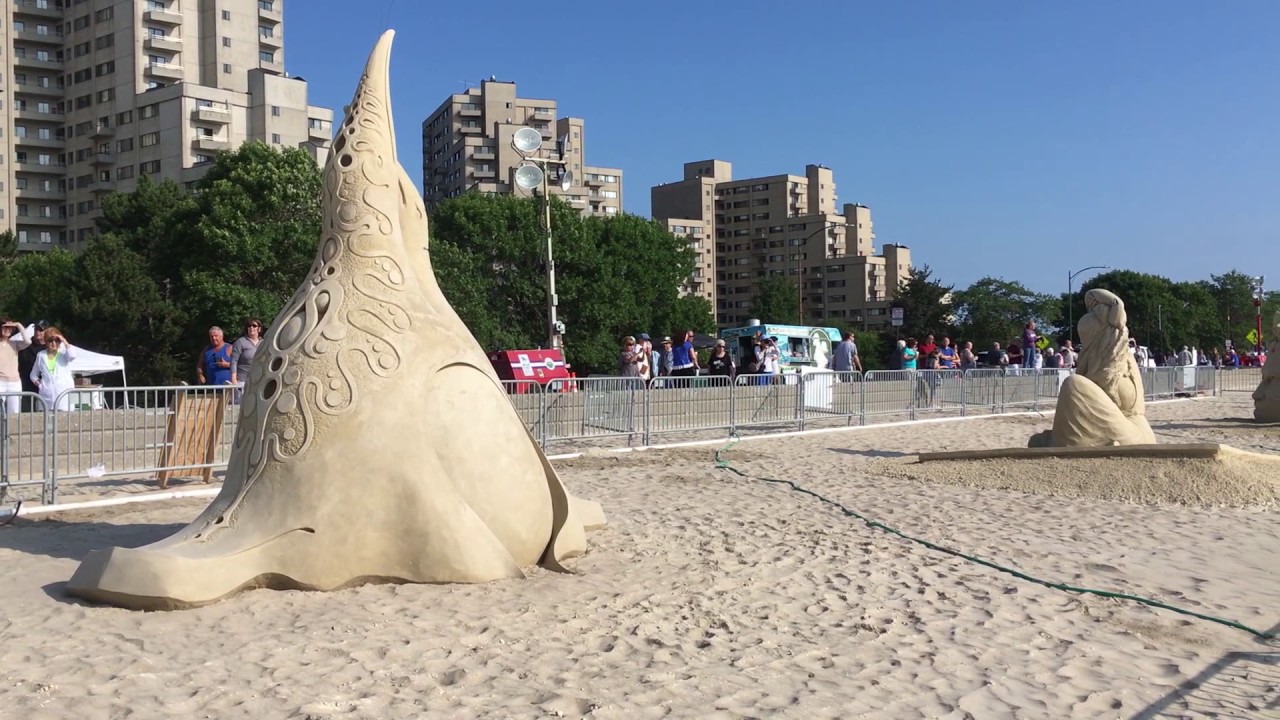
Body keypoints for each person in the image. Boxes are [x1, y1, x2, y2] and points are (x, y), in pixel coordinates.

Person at [29, 326, 77, 412]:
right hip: (46, 395)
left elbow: (72, 356)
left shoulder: (64, 352)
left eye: (57, 340)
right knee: (47, 418)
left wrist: (64, 340)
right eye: (51, 340)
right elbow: (33, 375)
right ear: (46, 342)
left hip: (64, 394)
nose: (54, 343)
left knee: (65, 418)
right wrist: (40, 385)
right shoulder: (41, 355)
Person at [0, 320, 32, 414]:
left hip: (14, 382)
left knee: (14, 412)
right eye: (5, 327)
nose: (7, 330)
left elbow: (28, 341)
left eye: (10, 328)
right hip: (0, 381)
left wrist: (18, 325)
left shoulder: (14, 343)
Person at [231, 319, 264, 395]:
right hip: (242, 380)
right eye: (249, 326)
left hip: (259, 380)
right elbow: (234, 361)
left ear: (259, 329)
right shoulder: (240, 342)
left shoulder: (263, 342)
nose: (251, 327)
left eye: (254, 326)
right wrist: (234, 379)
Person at [18, 321, 45, 410]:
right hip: (27, 384)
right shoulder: (26, 345)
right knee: (27, 411)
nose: (37, 332)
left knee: (45, 411)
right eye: (36, 329)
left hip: (44, 384)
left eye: (40, 330)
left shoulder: (50, 347)